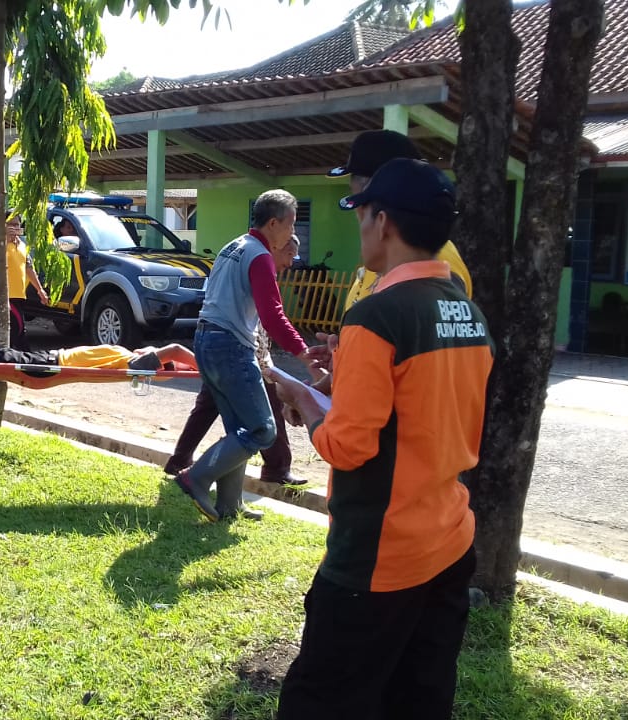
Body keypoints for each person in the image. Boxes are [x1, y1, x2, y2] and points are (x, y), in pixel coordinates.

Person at [268, 159, 493, 720]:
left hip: (378, 556)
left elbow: (349, 447)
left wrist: (305, 402)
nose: (361, 227)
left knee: (319, 702)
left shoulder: (376, 316)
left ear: (383, 221)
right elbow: (421, 406)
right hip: (449, 538)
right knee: (419, 699)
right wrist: (342, 375)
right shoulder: (467, 312)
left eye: (361, 214)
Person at [171, 189, 315, 522]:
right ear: (274, 223)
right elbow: (273, 316)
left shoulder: (233, 246)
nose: (292, 233)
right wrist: (304, 352)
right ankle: (196, 477)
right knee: (263, 430)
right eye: (291, 224)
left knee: (239, 427)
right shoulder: (260, 256)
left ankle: (230, 504)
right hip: (231, 346)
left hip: (205, 339)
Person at [164, 235, 306, 487]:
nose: (291, 263)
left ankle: (185, 466)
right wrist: (295, 358)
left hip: (217, 346)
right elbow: (267, 322)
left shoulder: (236, 252)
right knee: (263, 425)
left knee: (215, 412)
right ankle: (198, 476)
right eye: (289, 255)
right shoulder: (258, 261)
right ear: (276, 245)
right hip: (239, 352)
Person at [331, 130, 473, 309]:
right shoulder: (386, 255)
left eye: (360, 203)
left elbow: (442, 322)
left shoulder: (434, 260)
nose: (359, 213)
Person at [0, 341, 196, 371]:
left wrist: (203, 367)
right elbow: (173, 358)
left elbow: (174, 351)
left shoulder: (132, 362)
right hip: (49, 356)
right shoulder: (127, 353)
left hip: (50, 363)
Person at [6, 213, 47, 349]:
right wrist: (5, 240)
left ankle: (11, 357)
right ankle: (23, 357)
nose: (13, 227)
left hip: (19, 295)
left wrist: (40, 290)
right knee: (18, 332)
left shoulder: (22, 246)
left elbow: (29, 268)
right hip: (5, 296)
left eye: (16, 225)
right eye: (10, 224)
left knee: (16, 332)